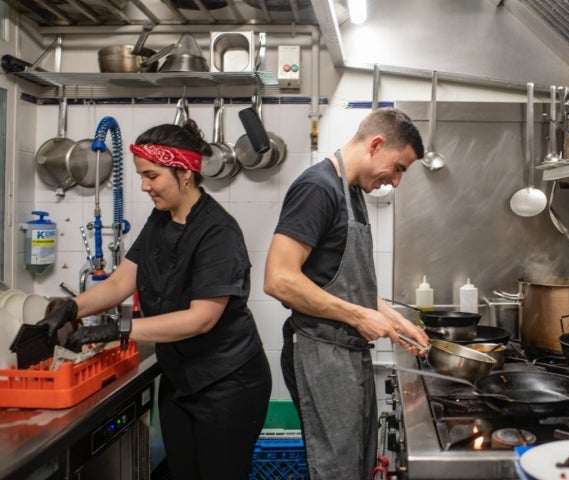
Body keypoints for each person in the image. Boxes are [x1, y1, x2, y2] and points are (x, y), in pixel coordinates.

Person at [37, 121, 272, 480]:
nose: (145, 186)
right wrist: (72, 308)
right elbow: (119, 282)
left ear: (184, 173)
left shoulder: (218, 232)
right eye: (141, 176)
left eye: (152, 176)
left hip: (228, 385)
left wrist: (116, 331)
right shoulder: (161, 219)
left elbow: (201, 320)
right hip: (180, 379)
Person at [263, 107, 429, 480]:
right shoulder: (317, 187)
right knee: (337, 471)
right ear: (376, 145)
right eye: (399, 167)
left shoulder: (351, 191)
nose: (397, 181)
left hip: (346, 355)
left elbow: (344, 284)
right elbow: (278, 279)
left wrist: (397, 321)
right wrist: (358, 317)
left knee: (356, 465)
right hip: (322, 355)